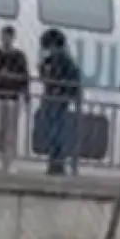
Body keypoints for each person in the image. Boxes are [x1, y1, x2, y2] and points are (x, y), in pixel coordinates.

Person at [0, 25, 30, 173]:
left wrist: (25, 94)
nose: (6, 39)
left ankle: (8, 161)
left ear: (13, 38)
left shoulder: (19, 56)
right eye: (4, 36)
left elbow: (24, 77)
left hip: (12, 97)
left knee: (10, 131)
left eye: (9, 36)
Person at [38, 28, 81, 176]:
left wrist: (61, 88)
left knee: (57, 131)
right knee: (53, 130)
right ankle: (55, 162)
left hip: (59, 100)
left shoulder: (65, 62)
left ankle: (57, 162)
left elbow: (71, 80)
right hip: (53, 98)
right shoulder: (52, 61)